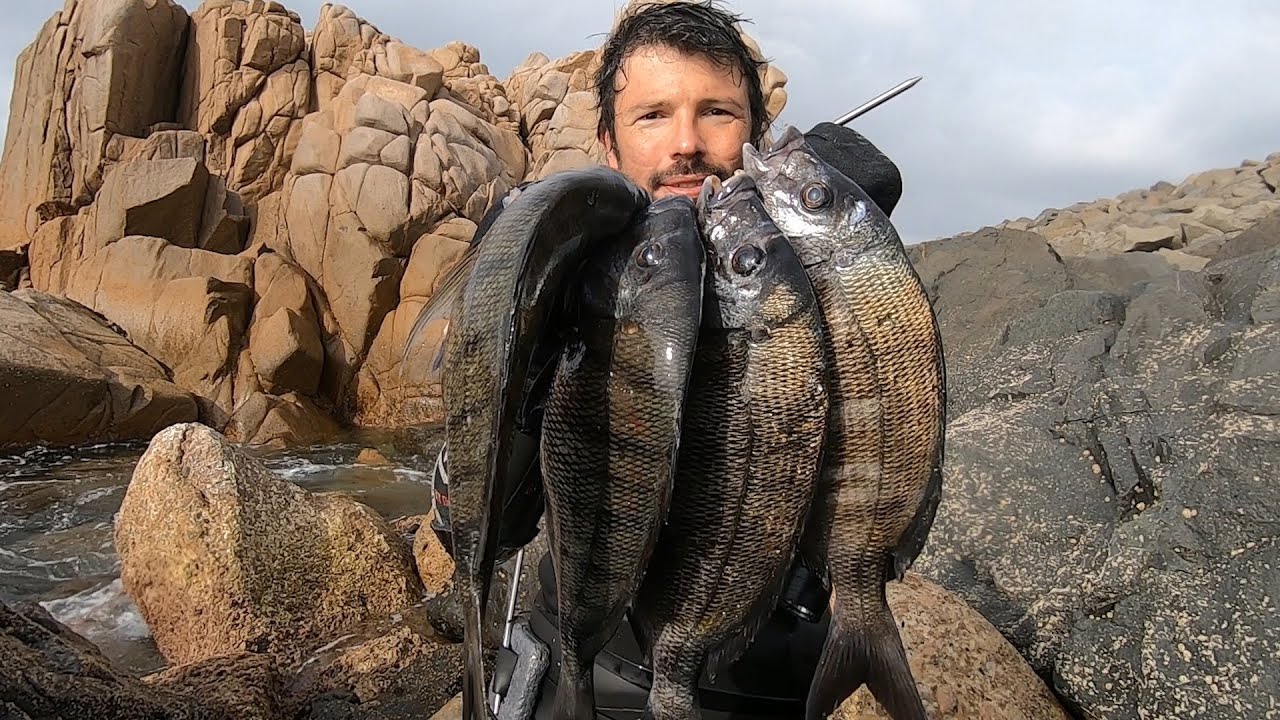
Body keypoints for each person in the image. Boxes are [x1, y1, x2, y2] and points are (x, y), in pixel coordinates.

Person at [426, 2, 905, 717]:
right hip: (582, 675)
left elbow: (885, 476)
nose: (686, 142)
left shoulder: (823, 279)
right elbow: (467, 525)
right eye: (653, 115)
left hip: (764, 694)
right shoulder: (572, 276)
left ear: (757, 133)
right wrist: (520, 345)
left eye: (717, 111)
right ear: (609, 146)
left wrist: (857, 244)